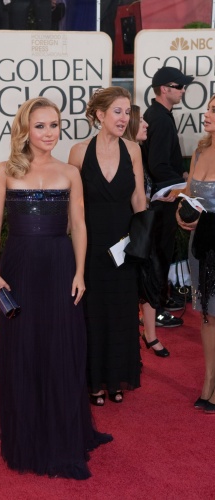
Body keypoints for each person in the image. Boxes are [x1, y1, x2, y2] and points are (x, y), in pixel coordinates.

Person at [0, 97, 113, 479]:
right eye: (40, 126)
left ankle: (65, 433)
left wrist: (80, 273)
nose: (49, 133)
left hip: (60, 267)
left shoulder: (70, 172)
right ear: (25, 129)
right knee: (24, 347)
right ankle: (29, 436)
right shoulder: (4, 170)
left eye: (54, 125)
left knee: (62, 347)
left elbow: (80, 225)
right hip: (20, 267)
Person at [68, 87, 146, 405]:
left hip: (124, 247)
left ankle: (116, 379)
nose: (124, 118)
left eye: (127, 112)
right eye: (117, 111)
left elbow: (138, 197)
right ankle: (94, 381)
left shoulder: (133, 150)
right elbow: (74, 209)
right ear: (100, 115)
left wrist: (144, 241)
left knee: (122, 314)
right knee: (93, 314)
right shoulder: (78, 152)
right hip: (91, 244)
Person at [141, 66, 194, 328]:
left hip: (165, 195)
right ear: (165, 88)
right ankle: (157, 309)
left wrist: (182, 176)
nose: (184, 90)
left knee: (162, 252)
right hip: (163, 200)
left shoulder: (160, 115)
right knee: (159, 254)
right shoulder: (160, 119)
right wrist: (181, 185)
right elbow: (157, 164)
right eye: (180, 86)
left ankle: (161, 299)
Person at [176, 94, 215, 414]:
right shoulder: (201, 149)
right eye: (210, 107)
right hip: (199, 245)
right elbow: (190, 193)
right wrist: (181, 209)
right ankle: (208, 380)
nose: (207, 113)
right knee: (204, 313)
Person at [124, 104, 169, 357]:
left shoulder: (140, 152)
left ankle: (150, 335)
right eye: (141, 121)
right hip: (128, 232)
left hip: (146, 228)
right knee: (131, 285)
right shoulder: (124, 155)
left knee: (151, 281)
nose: (146, 125)